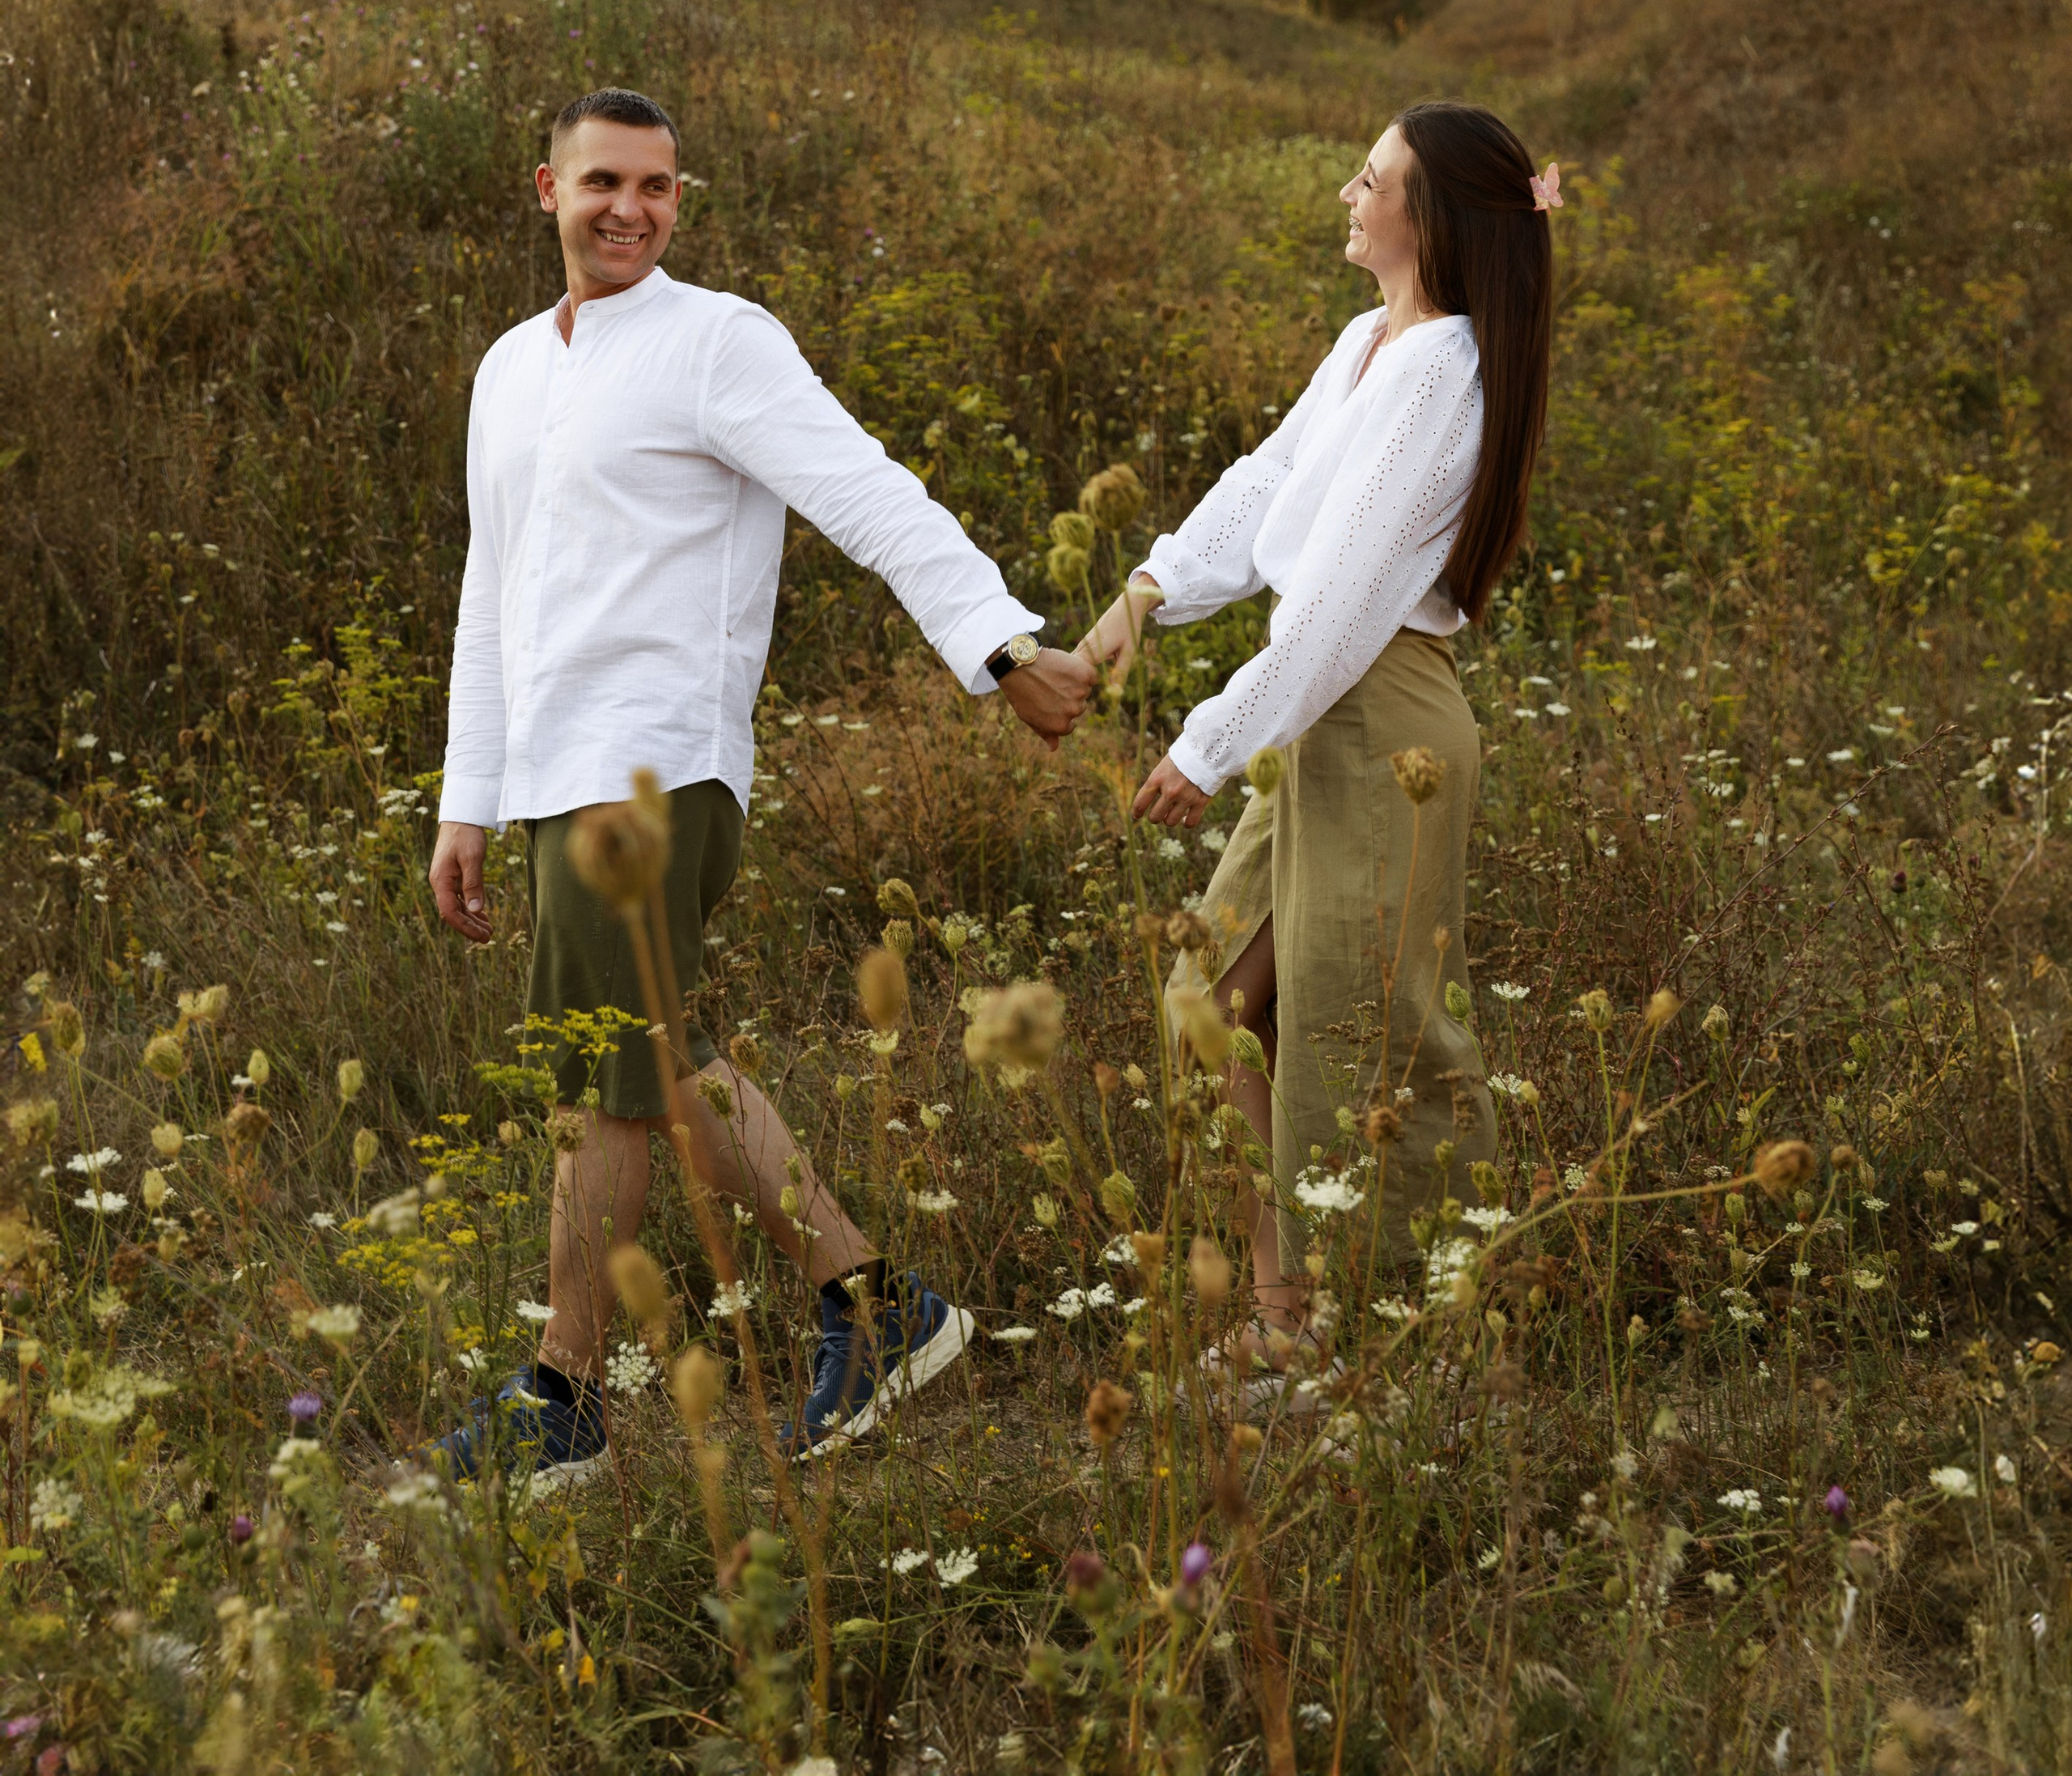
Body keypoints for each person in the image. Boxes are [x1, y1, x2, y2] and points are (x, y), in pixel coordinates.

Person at [425, 87, 1093, 1487]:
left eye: (659, 188)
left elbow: (869, 492)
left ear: (681, 202)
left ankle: (604, 1379)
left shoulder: (718, 342)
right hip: (552, 777)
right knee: (623, 1071)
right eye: (603, 182)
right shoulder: (507, 370)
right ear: (541, 191)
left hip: (659, 763)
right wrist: (466, 795)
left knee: (627, 1063)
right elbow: (492, 589)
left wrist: (999, 642)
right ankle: (811, 1324)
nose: (631, 209)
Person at [1078, 101, 1555, 1377]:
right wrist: (1145, 596)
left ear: (1432, 213)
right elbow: (1266, 486)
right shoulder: (1367, 341)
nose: (1349, 193)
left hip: (1379, 706)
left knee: (1371, 1029)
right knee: (1207, 1001)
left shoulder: (1444, 368)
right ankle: (1285, 1317)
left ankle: (1438, 1338)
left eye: (1372, 177)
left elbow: (1343, 597)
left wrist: (1210, 739)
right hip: (1317, 708)